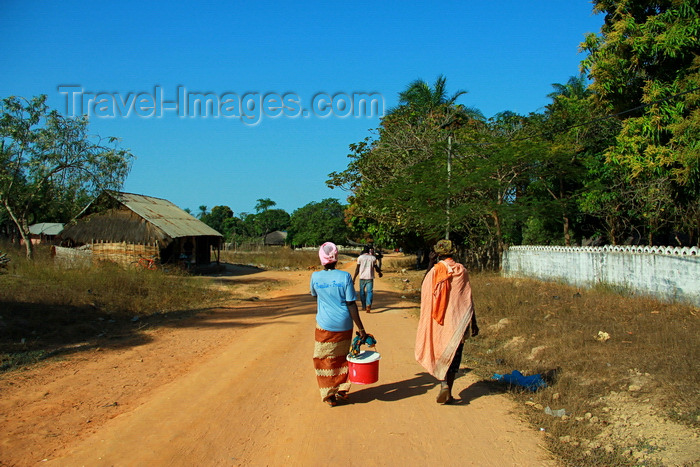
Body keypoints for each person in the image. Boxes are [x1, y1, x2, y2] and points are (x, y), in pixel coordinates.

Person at [415, 239, 479, 404]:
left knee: (440, 352)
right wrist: (474, 322)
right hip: (458, 322)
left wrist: (430, 263)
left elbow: (424, 287)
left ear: (437, 253)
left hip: (440, 322)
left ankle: (443, 384)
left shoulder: (435, 271)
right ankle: (448, 390)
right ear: (453, 252)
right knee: (454, 355)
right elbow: (467, 299)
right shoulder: (461, 270)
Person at [311, 242, 369, 407]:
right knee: (342, 357)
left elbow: (315, 295)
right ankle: (342, 389)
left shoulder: (315, 277)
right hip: (344, 324)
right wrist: (361, 329)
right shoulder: (345, 277)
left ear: (321, 258)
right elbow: (351, 304)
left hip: (324, 324)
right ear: (336, 257)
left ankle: (329, 394)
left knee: (324, 359)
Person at [352, 246, 383, 313]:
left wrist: (354, 278)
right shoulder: (373, 258)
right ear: (369, 251)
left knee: (362, 292)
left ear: (363, 250)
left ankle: (363, 306)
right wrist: (380, 273)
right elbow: (376, 267)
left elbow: (357, 269)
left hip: (362, 277)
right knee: (369, 292)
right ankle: (368, 305)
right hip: (370, 277)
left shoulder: (360, 258)